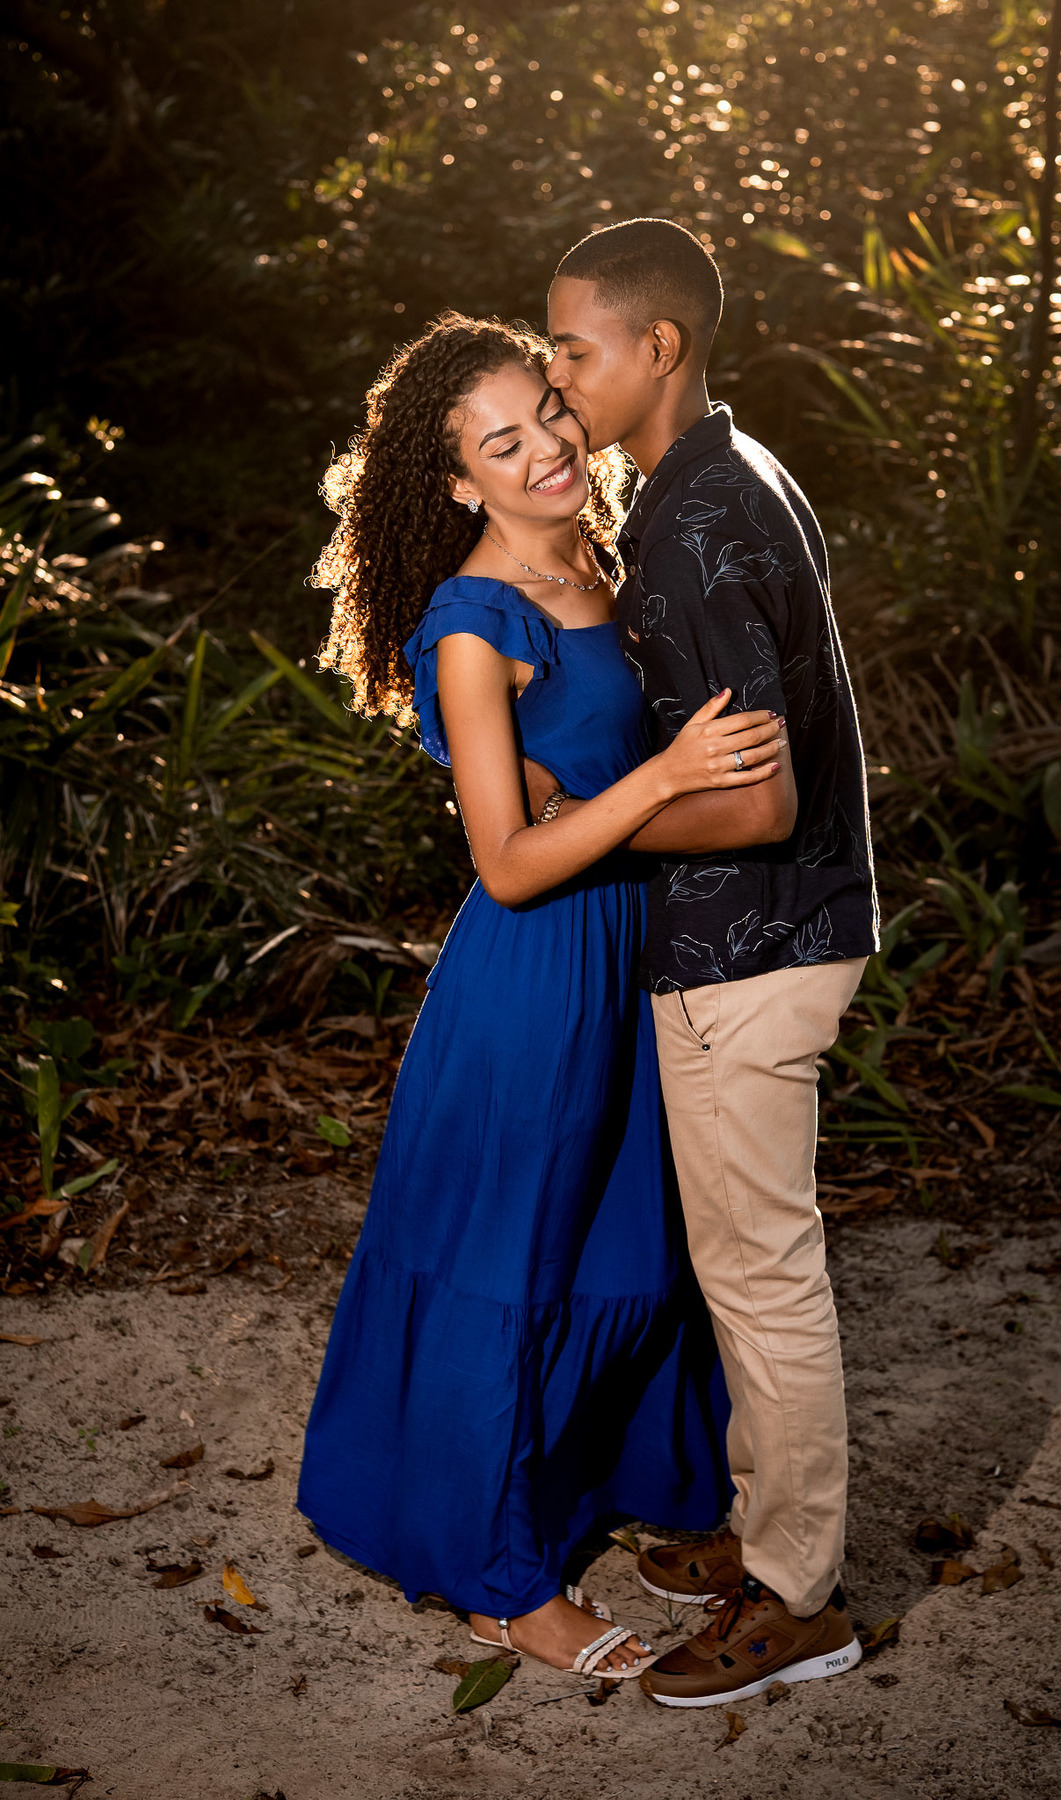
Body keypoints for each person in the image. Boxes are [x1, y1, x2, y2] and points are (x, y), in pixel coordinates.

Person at [295, 311, 786, 1680]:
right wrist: (665, 780)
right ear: (457, 482)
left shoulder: (609, 567)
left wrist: (626, 793)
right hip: (533, 988)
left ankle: (635, 1490)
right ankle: (503, 1581)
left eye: (549, 417)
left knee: (630, 1255)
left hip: (635, 962)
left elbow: (590, 787)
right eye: (499, 444)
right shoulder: (470, 620)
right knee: (509, 1274)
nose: (546, 451)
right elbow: (510, 862)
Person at [527, 219, 880, 1706]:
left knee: (764, 1275)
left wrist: (585, 834)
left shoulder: (694, 520)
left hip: (758, 944)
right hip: (764, 937)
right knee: (745, 1271)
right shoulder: (719, 478)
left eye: (572, 348)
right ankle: (763, 1538)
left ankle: (799, 1601)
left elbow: (760, 796)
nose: (555, 381)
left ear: (656, 347)